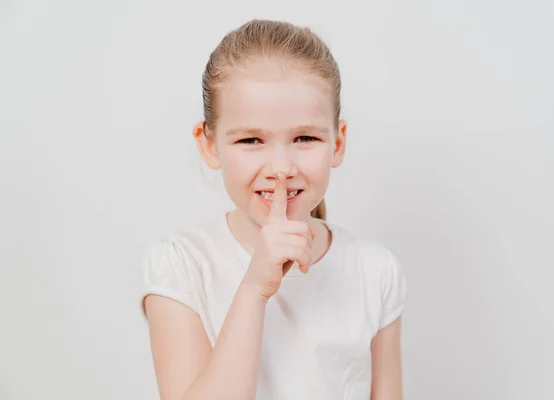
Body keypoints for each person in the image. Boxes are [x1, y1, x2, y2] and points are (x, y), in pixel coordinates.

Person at [140, 19, 407, 400]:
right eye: (251, 139)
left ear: (337, 142)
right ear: (210, 145)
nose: (281, 167)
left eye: (305, 137)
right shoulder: (180, 265)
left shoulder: (375, 270)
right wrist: (254, 289)